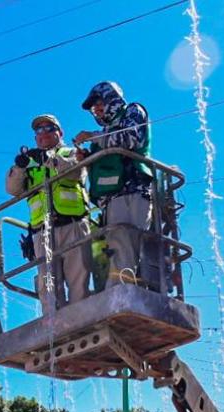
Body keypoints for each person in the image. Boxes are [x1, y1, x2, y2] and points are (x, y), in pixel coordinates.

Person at [6, 113, 92, 315]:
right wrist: (19, 167)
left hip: (74, 224)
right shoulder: (29, 163)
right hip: (42, 231)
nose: (43, 133)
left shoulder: (71, 152)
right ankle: (55, 327)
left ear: (60, 133)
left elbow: (77, 172)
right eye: (39, 130)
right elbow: (12, 189)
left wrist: (49, 159)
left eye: (49, 128)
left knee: (79, 278)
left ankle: (81, 322)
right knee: (48, 286)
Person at [73, 81, 154, 288]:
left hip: (133, 191)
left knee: (130, 245)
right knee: (119, 246)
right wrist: (87, 159)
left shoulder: (133, 111)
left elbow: (130, 138)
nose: (97, 110)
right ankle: (119, 291)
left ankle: (123, 293)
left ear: (111, 98)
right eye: (93, 107)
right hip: (111, 200)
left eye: (99, 103)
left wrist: (94, 137)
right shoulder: (102, 135)